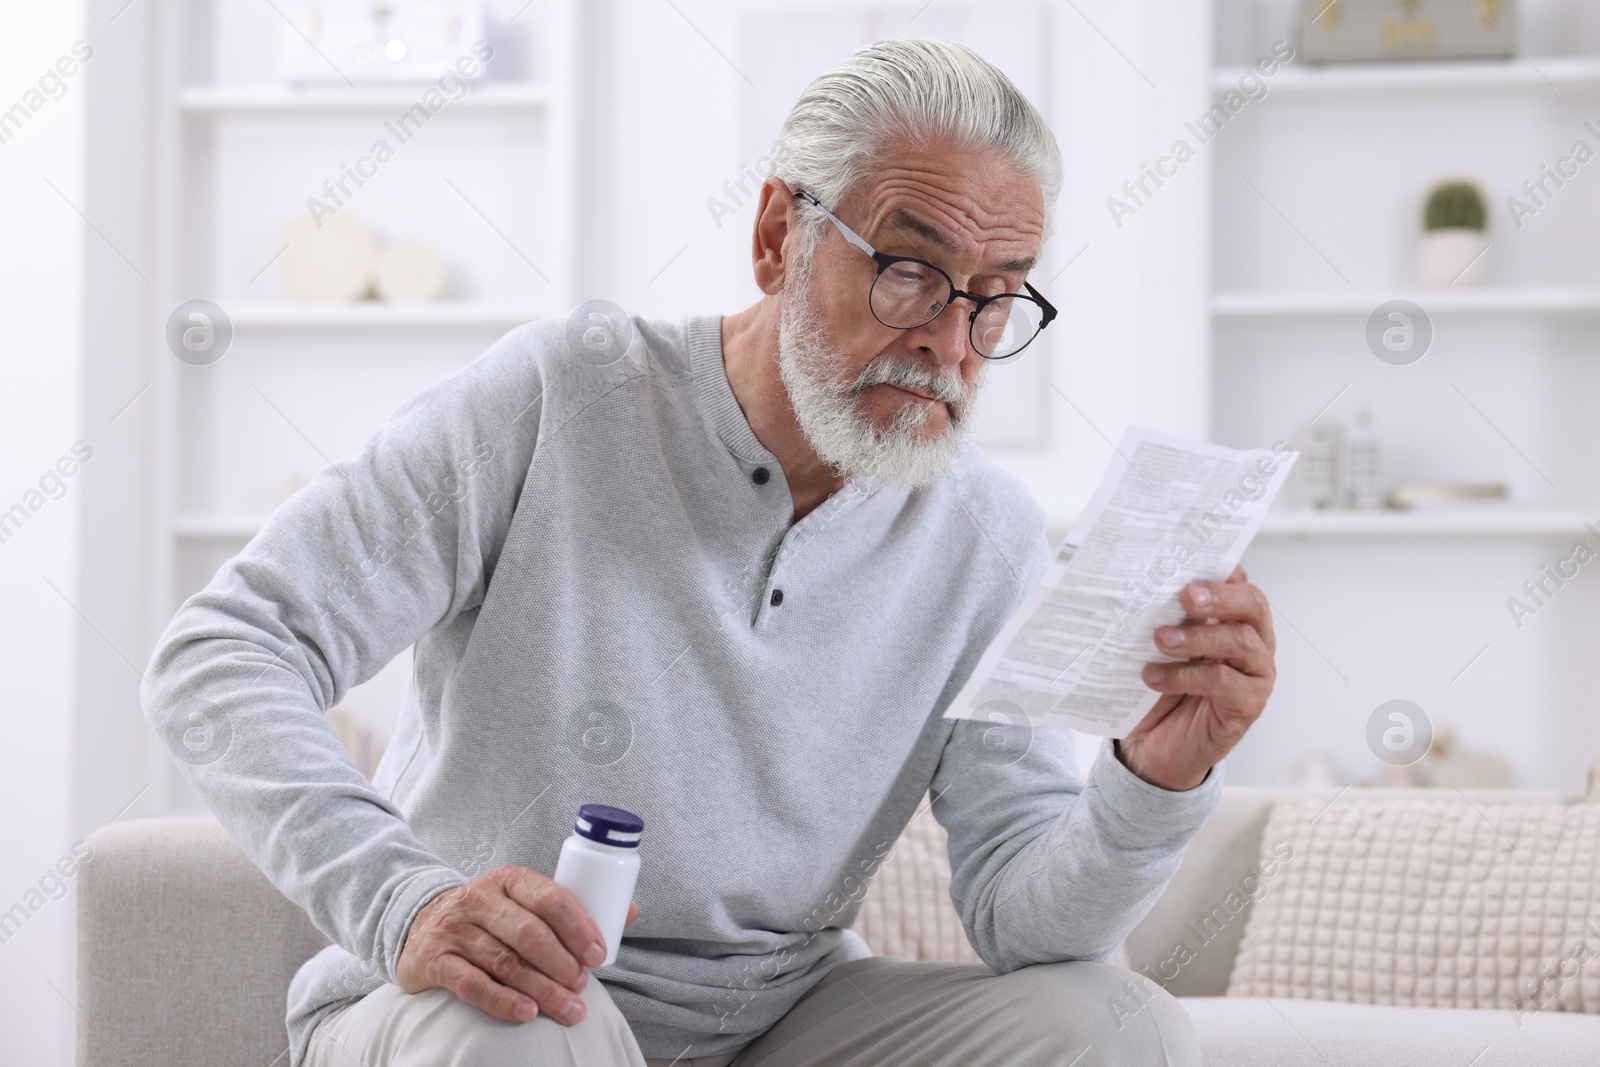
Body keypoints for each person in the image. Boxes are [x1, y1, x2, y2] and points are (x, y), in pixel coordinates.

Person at [143, 36, 1278, 1067]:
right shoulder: (555, 400)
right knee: (538, 1030)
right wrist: (401, 900)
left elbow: (1022, 919)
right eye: (908, 270)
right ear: (779, 235)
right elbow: (220, 651)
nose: (948, 342)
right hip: (476, 1000)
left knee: (1118, 1023)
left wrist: (1153, 776)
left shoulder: (984, 533)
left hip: (781, 1016)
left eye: (991, 299)